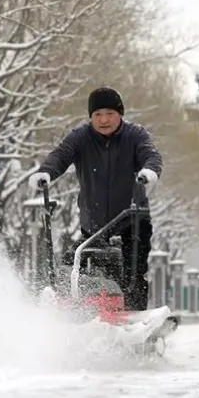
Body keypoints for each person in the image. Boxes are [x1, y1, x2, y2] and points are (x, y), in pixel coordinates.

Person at [28, 87, 162, 311]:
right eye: (97, 115)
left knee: (132, 274)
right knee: (75, 267)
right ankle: (81, 314)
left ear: (120, 114)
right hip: (95, 224)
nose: (104, 120)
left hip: (132, 220)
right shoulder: (81, 137)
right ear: (91, 117)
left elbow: (151, 155)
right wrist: (45, 173)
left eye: (110, 113)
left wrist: (149, 172)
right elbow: (61, 155)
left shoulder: (135, 135)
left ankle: (133, 320)